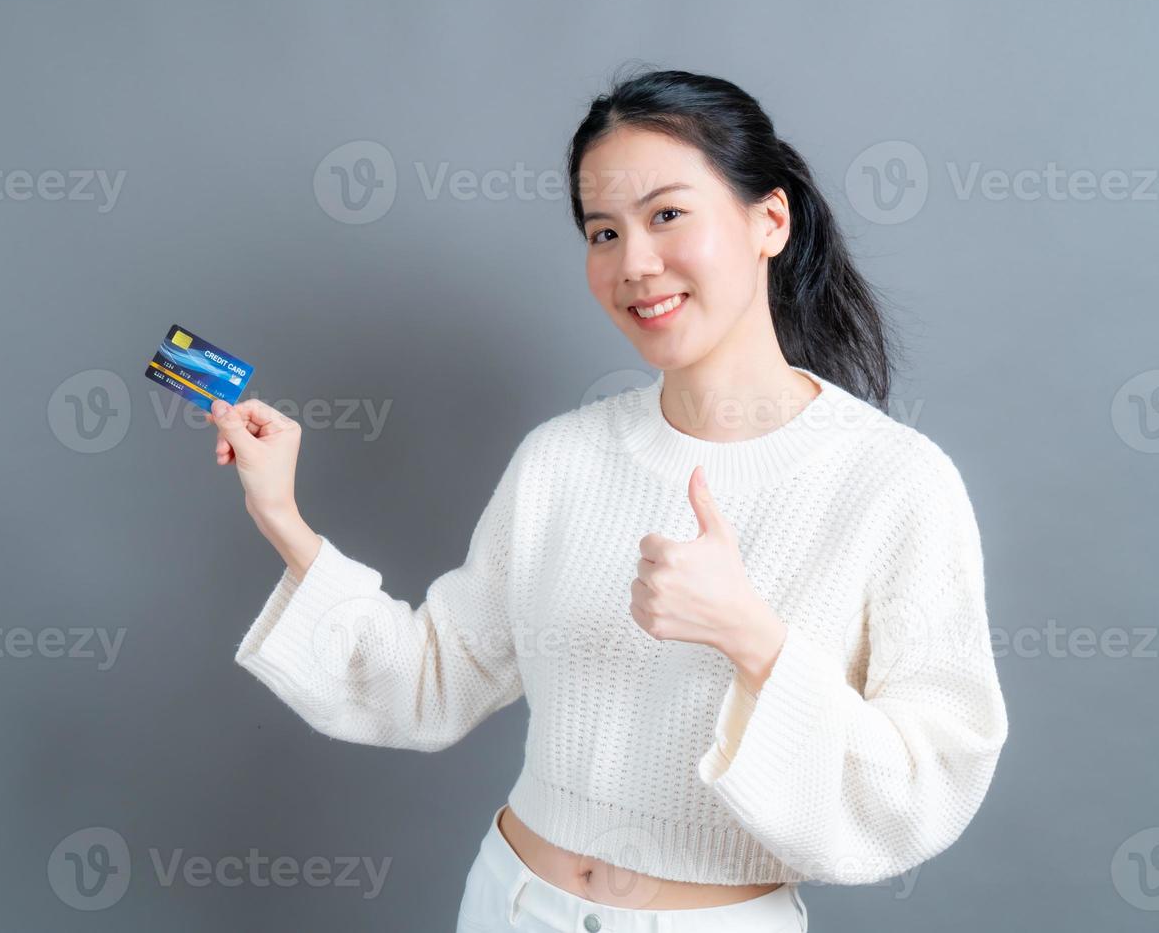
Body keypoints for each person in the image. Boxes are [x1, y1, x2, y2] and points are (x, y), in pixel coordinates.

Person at [208, 68, 1009, 933]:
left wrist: (753, 637)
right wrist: (282, 519)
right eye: (603, 231)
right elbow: (431, 678)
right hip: (511, 904)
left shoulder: (892, 482)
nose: (635, 264)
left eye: (668, 215)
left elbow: (929, 778)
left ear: (768, 220)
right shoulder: (563, 459)